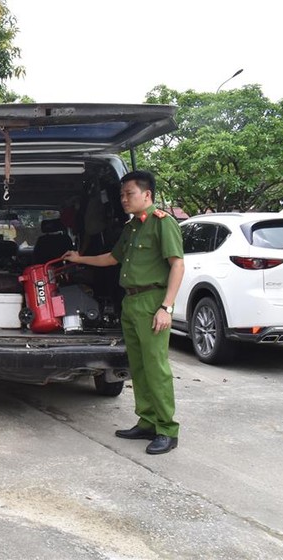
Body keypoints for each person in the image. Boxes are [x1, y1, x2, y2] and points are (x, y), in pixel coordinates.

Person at [62, 170, 184, 455]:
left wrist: (166, 307)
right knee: (138, 366)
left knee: (156, 368)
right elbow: (111, 258)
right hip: (130, 302)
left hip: (152, 301)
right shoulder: (132, 228)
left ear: (147, 194)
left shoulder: (162, 223)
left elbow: (177, 265)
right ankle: (147, 421)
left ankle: (167, 428)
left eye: (129, 194)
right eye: (121, 195)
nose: (124, 200)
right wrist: (79, 258)